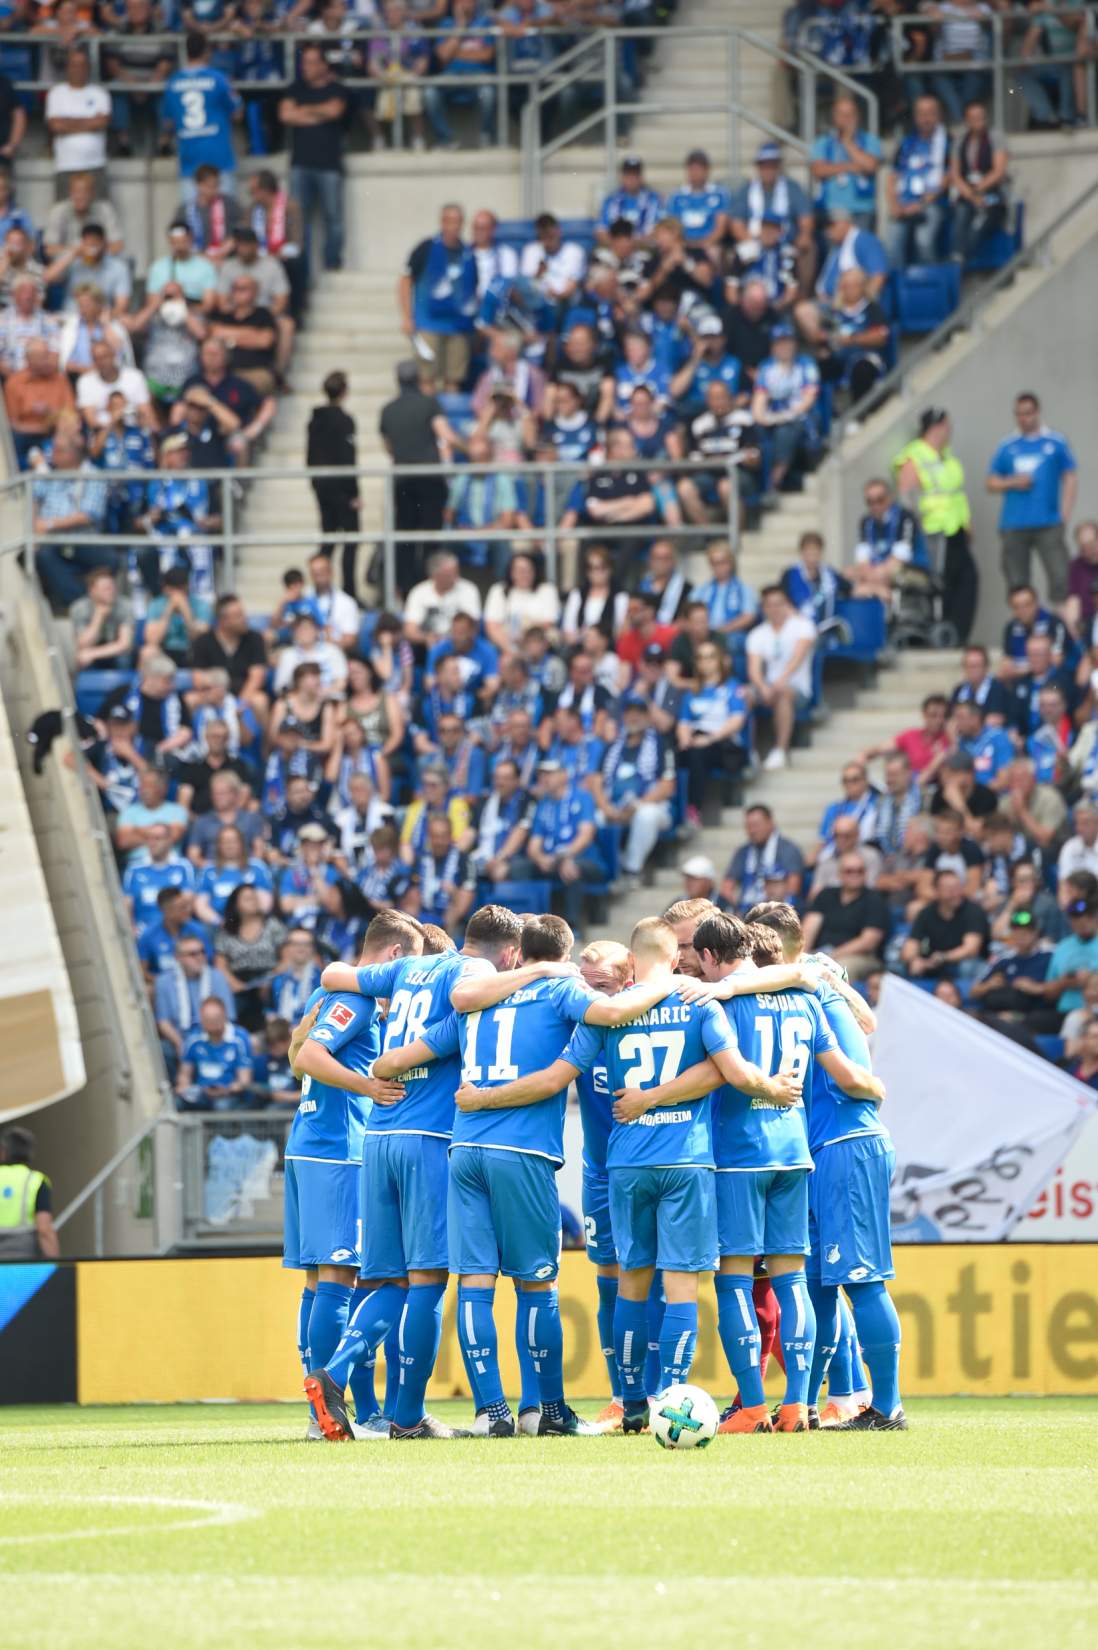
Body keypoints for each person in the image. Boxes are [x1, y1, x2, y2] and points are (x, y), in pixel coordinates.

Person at [626, 909, 882, 1433]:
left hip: (739, 1156)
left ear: (710, 956)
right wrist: (871, 1086)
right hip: (794, 1152)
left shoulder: (720, 1002)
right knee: (792, 1283)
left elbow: (719, 1073)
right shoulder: (804, 1000)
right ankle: (799, 1405)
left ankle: (752, 1406)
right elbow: (837, 1065)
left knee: (734, 1283)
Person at [741, 901, 904, 1429]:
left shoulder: (816, 995)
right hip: (816, 1153)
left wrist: (869, 1086)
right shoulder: (810, 991)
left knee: (861, 1279)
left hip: (847, 1144)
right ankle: (803, 1405)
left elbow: (854, 1072)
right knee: (813, 1286)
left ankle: (887, 1405)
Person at [284, 910, 422, 1436]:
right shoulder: (358, 1001)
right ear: (393, 956)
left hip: (308, 1145)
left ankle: (334, 1411)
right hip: (337, 1150)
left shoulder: (327, 998)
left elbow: (299, 1055)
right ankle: (326, 1414)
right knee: (343, 1281)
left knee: (320, 1283)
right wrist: (368, 1087)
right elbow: (314, 1057)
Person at [894, 406, 978, 643]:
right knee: (942, 583)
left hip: (955, 528)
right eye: (946, 426)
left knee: (967, 580)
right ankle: (945, 633)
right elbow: (907, 498)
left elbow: (956, 494)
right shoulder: (916, 456)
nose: (949, 431)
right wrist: (915, 530)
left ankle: (957, 633)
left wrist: (967, 522)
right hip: (933, 531)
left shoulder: (948, 458)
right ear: (936, 427)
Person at [379, 361, 464, 594]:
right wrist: (467, 448)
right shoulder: (429, 404)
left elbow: (388, 447)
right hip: (429, 480)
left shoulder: (388, 410)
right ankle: (430, 585)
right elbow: (445, 434)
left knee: (405, 537)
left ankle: (406, 589)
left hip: (403, 480)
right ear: (418, 378)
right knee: (430, 536)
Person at [986, 391, 1077, 606]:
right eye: (1019, 414)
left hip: (1048, 522)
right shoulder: (1007, 445)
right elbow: (990, 482)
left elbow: (1070, 477)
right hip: (1014, 523)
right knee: (1017, 581)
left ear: (1037, 412)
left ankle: (1061, 625)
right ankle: (1025, 625)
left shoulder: (1055, 442)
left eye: (1027, 413)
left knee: (1060, 575)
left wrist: (1064, 513)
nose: (1024, 418)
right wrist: (1013, 482)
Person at [592, 696, 676, 886]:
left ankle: (632, 870)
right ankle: (607, 871)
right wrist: (605, 807)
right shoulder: (612, 745)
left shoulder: (662, 744)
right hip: (614, 805)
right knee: (594, 818)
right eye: (629, 713)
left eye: (639, 713)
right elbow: (596, 781)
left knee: (646, 816)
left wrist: (637, 805)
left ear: (647, 717)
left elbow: (668, 785)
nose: (633, 717)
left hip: (651, 805)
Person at [279, 43, 348, 273]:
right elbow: (285, 114)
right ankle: (302, 270)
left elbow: (335, 111)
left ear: (323, 65)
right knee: (299, 221)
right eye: (303, 62)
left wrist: (304, 110)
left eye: (310, 62)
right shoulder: (295, 88)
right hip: (300, 164)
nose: (304, 67)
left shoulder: (337, 88)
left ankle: (332, 264)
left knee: (334, 219)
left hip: (329, 164)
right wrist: (320, 112)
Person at [399, 203, 478, 393]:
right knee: (427, 378)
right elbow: (405, 281)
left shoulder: (468, 254)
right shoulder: (425, 248)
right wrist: (407, 316)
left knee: (454, 378)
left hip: (458, 327)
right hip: (429, 324)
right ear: (442, 222)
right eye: (449, 221)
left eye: (458, 222)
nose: (454, 226)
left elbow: (474, 290)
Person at [32, 429, 110, 611]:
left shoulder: (93, 475)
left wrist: (49, 524)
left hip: (81, 539)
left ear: (73, 454)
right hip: (51, 541)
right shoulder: (51, 473)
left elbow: (89, 515)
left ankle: (82, 604)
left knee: (111, 560)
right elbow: (34, 496)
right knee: (41, 555)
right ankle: (80, 603)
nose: (53, 455)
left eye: (59, 450)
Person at [162, 32, 241, 203]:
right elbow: (237, 113)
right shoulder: (218, 79)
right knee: (224, 221)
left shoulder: (173, 82)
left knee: (191, 222)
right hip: (219, 159)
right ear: (207, 52)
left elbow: (168, 123)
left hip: (189, 161)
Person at [745, 584, 817, 772]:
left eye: (779, 603)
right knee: (743, 695)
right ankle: (748, 752)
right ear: (764, 608)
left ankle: (780, 750)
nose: (775, 608)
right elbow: (754, 669)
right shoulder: (757, 634)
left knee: (784, 694)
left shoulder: (803, 626)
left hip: (797, 688)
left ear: (787, 604)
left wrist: (779, 682)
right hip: (768, 688)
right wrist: (762, 687)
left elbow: (798, 658)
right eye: (770, 604)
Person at [751, 323, 820, 499]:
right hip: (775, 417)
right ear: (773, 346)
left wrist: (788, 414)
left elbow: (809, 398)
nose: (784, 347)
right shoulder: (766, 367)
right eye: (780, 343)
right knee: (756, 430)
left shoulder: (806, 364)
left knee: (785, 432)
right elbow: (759, 401)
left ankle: (774, 482)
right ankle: (758, 482)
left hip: (801, 416)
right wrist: (762, 417)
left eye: (788, 342)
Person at [886, 93, 950, 266]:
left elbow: (948, 178)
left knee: (923, 240)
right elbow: (892, 177)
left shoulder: (947, 142)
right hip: (904, 204)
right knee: (892, 243)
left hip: (932, 204)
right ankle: (899, 289)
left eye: (930, 113)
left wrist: (920, 204)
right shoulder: (906, 143)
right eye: (921, 113)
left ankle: (931, 287)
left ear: (939, 115)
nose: (926, 118)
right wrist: (894, 205)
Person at [801, 852, 890, 976]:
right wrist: (802, 956)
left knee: (837, 970)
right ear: (839, 874)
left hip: (860, 957)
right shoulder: (826, 895)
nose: (855, 875)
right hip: (821, 954)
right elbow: (809, 929)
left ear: (866, 874)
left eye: (860, 871)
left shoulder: (875, 899)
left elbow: (868, 942)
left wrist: (830, 956)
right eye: (849, 871)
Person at [809, 91, 882, 229]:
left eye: (850, 114)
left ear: (857, 117)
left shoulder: (870, 140)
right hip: (831, 209)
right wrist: (850, 166)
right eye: (842, 114)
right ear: (834, 117)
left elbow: (870, 166)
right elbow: (818, 170)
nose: (846, 119)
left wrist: (848, 143)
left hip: (861, 209)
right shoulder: (823, 142)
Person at [901, 868, 989, 980]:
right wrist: (914, 959)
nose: (956, 893)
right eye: (949, 889)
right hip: (932, 962)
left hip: (960, 962)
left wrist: (943, 957)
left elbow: (971, 949)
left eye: (958, 887)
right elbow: (911, 944)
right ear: (937, 891)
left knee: (968, 967)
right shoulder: (926, 913)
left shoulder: (973, 912)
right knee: (900, 966)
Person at [950, 98, 1009, 262]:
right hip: (967, 194)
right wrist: (969, 193)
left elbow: (998, 171)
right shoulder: (960, 140)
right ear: (967, 120)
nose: (979, 122)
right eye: (974, 118)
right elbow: (955, 173)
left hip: (991, 194)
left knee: (978, 225)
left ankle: (965, 258)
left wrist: (978, 190)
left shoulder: (995, 137)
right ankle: (957, 258)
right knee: (960, 216)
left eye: (981, 117)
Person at [45, 47, 110, 193]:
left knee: (100, 212)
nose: (78, 69)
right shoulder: (56, 93)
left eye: (82, 65)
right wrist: (89, 121)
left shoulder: (100, 93)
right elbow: (55, 126)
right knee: (62, 213)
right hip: (65, 165)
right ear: (67, 67)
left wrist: (68, 122)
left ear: (88, 68)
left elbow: (101, 123)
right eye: (74, 65)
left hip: (95, 165)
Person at [175, 993, 254, 1112]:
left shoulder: (240, 1038)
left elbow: (244, 1080)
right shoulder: (193, 1038)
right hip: (201, 1092)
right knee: (176, 1103)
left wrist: (226, 1090)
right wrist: (184, 1087)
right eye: (207, 1019)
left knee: (221, 1106)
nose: (211, 1022)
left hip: (229, 1094)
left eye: (215, 1018)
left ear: (224, 1016)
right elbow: (184, 1074)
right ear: (201, 1018)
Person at [721, 804, 805, 913]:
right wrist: (735, 910)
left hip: (774, 911)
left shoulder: (788, 849)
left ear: (770, 823)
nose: (752, 831)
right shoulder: (743, 852)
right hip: (745, 910)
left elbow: (793, 889)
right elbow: (726, 888)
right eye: (748, 826)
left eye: (756, 825)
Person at [0, 1127, 60, 1259]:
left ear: (3, 1151)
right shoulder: (36, 1181)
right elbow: (44, 1230)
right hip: (22, 1264)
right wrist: (56, 1264)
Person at [598, 155, 662, 244]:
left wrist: (633, 245)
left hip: (643, 248)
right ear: (622, 176)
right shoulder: (611, 200)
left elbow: (658, 230)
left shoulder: (653, 199)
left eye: (635, 175)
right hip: (615, 249)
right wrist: (618, 246)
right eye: (628, 174)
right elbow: (601, 230)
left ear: (641, 177)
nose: (632, 178)